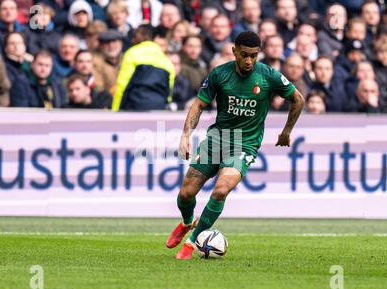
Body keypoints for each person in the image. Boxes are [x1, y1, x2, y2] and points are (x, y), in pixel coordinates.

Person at [166, 31, 304, 260]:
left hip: (245, 143)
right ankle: (187, 222)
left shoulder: (269, 76)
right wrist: (186, 134)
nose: (249, 61)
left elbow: (298, 98)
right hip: (217, 140)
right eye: (244, 55)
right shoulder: (220, 74)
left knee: (221, 190)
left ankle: (191, 243)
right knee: (185, 194)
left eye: (254, 56)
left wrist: (287, 131)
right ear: (234, 52)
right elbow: (199, 105)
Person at [112, 24, 175, 111]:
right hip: (158, 109)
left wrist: (115, 110)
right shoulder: (167, 62)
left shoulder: (132, 53)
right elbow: (168, 95)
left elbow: (122, 85)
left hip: (134, 108)